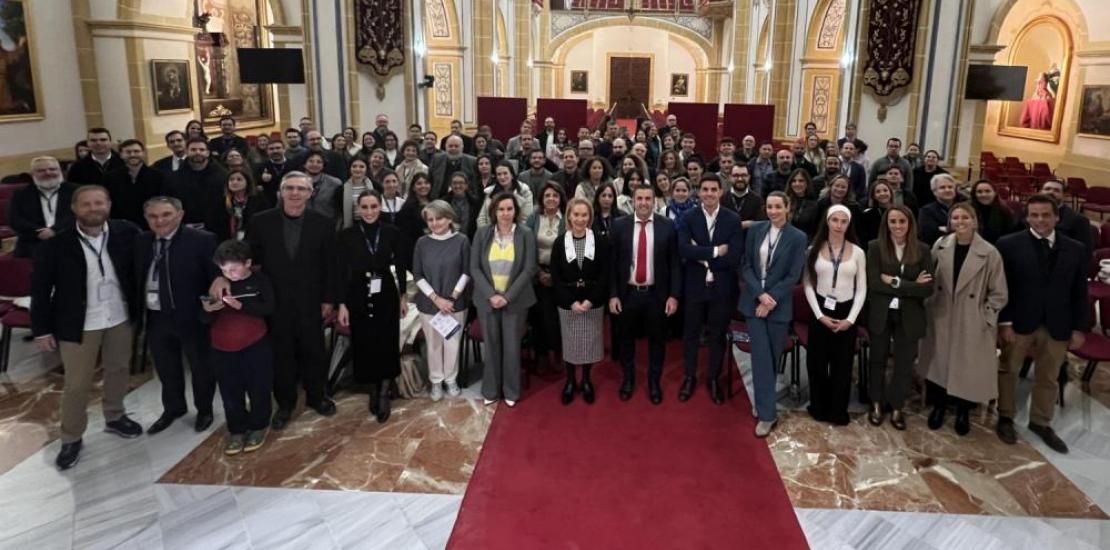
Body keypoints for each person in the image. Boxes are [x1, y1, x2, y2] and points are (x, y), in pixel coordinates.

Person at [31, 186, 143, 470]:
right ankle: (71, 437)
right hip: (78, 322)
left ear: (108, 204)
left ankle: (115, 416)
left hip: (118, 315)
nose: (93, 208)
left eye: (99, 202)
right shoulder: (55, 245)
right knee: (77, 383)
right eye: (86, 204)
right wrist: (42, 330)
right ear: (74, 208)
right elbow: (41, 290)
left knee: (118, 369)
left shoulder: (126, 232)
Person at [227, 172, 337, 430]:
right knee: (281, 353)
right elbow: (249, 258)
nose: (295, 193)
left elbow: (331, 264)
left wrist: (329, 299)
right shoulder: (261, 221)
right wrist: (225, 275)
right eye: (290, 188)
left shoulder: (323, 222)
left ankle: (317, 396)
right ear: (280, 191)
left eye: (301, 188)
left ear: (310, 193)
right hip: (275, 300)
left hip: (312, 299)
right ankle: (285, 404)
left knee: (314, 351)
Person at [995, 194, 1088, 454]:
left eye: (1046, 215)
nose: (1040, 220)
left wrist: (1080, 327)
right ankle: (1005, 416)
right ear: (1026, 217)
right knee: (1009, 371)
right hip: (1019, 321)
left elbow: (1080, 291)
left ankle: (1040, 421)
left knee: (1048, 376)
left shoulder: (1075, 249)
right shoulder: (1008, 244)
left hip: (1058, 323)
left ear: (1057, 217)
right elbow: (1003, 288)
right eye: (1034, 215)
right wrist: (1005, 322)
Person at [919, 202, 1008, 436]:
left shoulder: (989, 252)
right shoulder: (941, 245)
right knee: (939, 362)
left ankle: (962, 411)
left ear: (974, 221)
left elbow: (999, 292)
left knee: (967, 366)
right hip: (942, 312)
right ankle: (938, 406)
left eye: (965, 217)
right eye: (955, 218)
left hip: (972, 317)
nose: (960, 222)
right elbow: (928, 276)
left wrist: (985, 317)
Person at [137, 196, 219, 434]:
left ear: (180, 215)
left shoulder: (203, 240)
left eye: (166, 215)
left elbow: (215, 274)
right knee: (166, 368)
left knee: (201, 367)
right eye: (153, 216)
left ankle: (204, 409)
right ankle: (173, 408)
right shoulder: (141, 241)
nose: (159, 221)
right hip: (156, 316)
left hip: (191, 316)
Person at [337, 190, 408, 422]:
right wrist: (342, 304)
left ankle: (385, 389)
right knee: (365, 340)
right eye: (364, 207)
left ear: (380, 208)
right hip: (357, 291)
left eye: (373, 206)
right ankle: (373, 389)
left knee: (386, 338)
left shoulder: (392, 232)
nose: (369, 212)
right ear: (358, 209)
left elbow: (399, 264)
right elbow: (343, 270)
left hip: (385, 289)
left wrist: (403, 296)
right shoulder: (346, 235)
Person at [740, 191, 807, 437]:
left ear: (787, 208)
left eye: (778, 206)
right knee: (760, 356)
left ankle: (763, 400)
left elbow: (794, 274)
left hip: (779, 307)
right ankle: (768, 415)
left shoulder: (798, 237)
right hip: (754, 303)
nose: (773, 211)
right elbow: (746, 265)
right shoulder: (756, 230)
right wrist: (760, 295)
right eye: (769, 207)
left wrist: (771, 300)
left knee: (770, 357)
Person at [202, 240, 275, 455]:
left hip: (254, 343)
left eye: (234, 269)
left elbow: (269, 307)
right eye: (224, 270)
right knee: (230, 391)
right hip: (222, 347)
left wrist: (241, 305)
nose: (230, 274)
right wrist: (211, 309)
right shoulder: (218, 284)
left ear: (248, 263)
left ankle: (259, 425)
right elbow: (203, 317)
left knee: (258, 387)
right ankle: (236, 428)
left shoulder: (259, 281)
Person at [610, 185, 681, 404]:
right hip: (627, 293)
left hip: (656, 295)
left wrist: (674, 295)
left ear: (654, 201)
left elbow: (675, 264)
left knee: (657, 341)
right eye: (639, 198)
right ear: (633, 201)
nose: (643, 202)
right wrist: (613, 295)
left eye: (647, 199)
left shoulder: (667, 226)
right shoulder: (619, 225)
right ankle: (629, 379)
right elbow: (612, 265)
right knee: (625, 339)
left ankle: (654, 382)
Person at [865, 206, 934, 430]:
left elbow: (928, 289)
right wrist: (913, 286)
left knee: (904, 364)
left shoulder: (923, 250)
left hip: (910, 315)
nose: (897, 226)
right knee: (877, 359)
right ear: (886, 224)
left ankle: (897, 407)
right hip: (881, 313)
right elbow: (874, 283)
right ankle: (876, 403)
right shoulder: (875, 247)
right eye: (892, 221)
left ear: (910, 223)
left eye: (901, 221)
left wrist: (895, 283)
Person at [677, 175, 743, 404]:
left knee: (717, 336)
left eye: (713, 189)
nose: (709, 193)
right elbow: (684, 249)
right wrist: (715, 252)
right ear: (698, 192)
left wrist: (701, 254)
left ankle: (713, 378)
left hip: (722, 287)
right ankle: (689, 376)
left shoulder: (732, 219)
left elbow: (734, 256)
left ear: (720, 192)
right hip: (694, 285)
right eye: (704, 189)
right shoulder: (688, 217)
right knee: (691, 334)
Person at [470, 192, 538, 407]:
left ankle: (511, 390)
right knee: (490, 346)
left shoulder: (525, 234)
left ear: (515, 211)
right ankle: (490, 390)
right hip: (487, 299)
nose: (505, 213)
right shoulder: (482, 234)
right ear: (494, 212)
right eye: (501, 209)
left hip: (515, 300)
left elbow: (529, 269)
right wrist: (491, 295)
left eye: (509, 209)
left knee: (511, 346)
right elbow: (474, 268)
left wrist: (506, 297)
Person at [804, 205, 867, 426]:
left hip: (846, 311)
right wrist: (819, 315)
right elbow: (808, 284)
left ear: (848, 224)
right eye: (835, 220)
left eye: (843, 221)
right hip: (820, 310)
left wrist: (850, 320)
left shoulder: (858, 252)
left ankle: (837, 410)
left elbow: (862, 289)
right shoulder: (814, 248)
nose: (839, 225)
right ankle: (818, 407)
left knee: (842, 365)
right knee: (817, 364)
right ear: (827, 222)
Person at [551, 197, 611, 405]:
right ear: (569, 216)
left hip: (592, 301)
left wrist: (590, 301)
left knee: (589, 344)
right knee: (570, 344)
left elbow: (605, 274)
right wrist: (571, 303)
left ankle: (586, 380)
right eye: (576, 214)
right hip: (568, 303)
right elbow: (556, 277)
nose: (580, 219)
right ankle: (570, 381)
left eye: (584, 215)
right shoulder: (560, 243)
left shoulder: (600, 241)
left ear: (590, 217)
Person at [412, 200, 471, 400]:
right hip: (429, 304)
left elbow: (466, 272)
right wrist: (437, 299)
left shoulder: (462, 240)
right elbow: (418, 275)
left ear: (449, 218)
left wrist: (452, 298)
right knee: (434, 344)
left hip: (455, 303)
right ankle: (436, 381)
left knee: (452, 342)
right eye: (431, 220)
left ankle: (450, 379)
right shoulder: (422, 243)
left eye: (439, 218)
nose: (435, 223)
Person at [526, 182, 567, 373]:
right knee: (539, 318)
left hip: (559, 276)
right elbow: (526, 248)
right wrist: (539, 273)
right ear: (541, 199)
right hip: (536, 275)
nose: (551, 198)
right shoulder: (533, 219)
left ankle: (557, 352)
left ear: (560, 199)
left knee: (557, 317)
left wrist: (554, 275)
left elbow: (569, 250)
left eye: (555, 195)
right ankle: (541, 354)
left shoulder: (566, 219)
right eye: (547, 195)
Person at [9, 156, 77, 258]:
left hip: (70, 239)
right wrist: (39, 232)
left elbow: (81, 215)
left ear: (60, 171)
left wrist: (54, 230)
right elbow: (14, 219)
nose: (48, 173)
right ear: (32, 174)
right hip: (32, 242)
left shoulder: (77, 191)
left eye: (52, 169)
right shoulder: (20, 194)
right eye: (41, 170)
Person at [164, 137, 228, 228]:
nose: (198, 152)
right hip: (183, 227)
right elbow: (170, 204)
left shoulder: (222, 176)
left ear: (208, 153)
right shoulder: (174, 178)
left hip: (215, 228)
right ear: (186, 152)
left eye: (202, 149)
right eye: (193, 150)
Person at [104, 139, 165, 229]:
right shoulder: (110, 177)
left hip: (151, 225)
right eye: (128, 152)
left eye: (136, 151)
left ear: (143, 153)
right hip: (121, 226)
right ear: (121, 155)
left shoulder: (158, 176)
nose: (132, 155)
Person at [206, 169, 269, 241]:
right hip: (226, 241)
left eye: (239, 179)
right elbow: (213, 223)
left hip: (252, 239)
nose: (235, 182)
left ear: (247, 182)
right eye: (231, 180)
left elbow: (263, 222)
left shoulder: (258, 199)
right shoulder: (220, 201)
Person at [477, 161, 534, 226]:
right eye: (499, 174)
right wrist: (486, 233)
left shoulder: (524, 192)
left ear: (512, 175)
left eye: (505, 173)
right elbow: (481, 219)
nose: (502, 177)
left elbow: (526, 219)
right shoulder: (490, 192)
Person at [918, 173, 962, 246]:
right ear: (934, 192)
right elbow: (929, 236)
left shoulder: (964, 208)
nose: (947, 190)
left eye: (950, 187)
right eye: (942, 187)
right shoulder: (926, 211)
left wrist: (945, 229)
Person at [397, 173, 434, 255]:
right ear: (413, 187)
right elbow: (405, 236)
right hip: (416, 249)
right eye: (419, 183)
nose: (423, 186)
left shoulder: (435, 203)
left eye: (426, 183)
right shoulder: (407, 208)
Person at [970, 179, 1016, 244]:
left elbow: (1009, 236)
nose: (983, 194)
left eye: (987, 191)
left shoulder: (1005, 212)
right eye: (979, 192)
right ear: (974, 194)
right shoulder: (968, 210)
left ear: (995, 193)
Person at [721, 164, 767, 228]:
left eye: (743, 175)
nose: (740, 179)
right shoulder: (721, 199)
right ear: (730, 177)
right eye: (736, 175)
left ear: (749, 177)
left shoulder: (758, 200)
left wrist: (751, 224)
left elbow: (762, 224)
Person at [857, 179, 896, 246]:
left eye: (885, 190)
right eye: (878, 192)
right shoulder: (867, 215)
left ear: (891, 192)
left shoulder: (900, 212)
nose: (882, 194)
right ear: (873, 196)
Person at [785, 169, 820, 238]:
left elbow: (814, 231)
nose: (797, 184)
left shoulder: (814, 205)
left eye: (801, 181)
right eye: (794, 181)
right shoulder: (784, 201)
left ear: (807, 183)